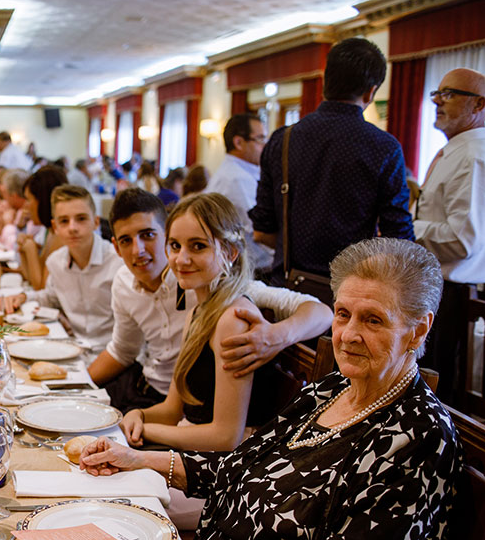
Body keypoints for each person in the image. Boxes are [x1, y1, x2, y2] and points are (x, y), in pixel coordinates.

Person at [80, 237, 457, 540]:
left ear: (417, 328)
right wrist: (138, 459)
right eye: (342, 314)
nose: (348, 334)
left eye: (374, 319)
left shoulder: (421, 434)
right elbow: (243, 467)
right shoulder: (329, 390)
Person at [88, 189, 331, 415]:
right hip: (150, 392)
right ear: (116, 248)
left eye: (148, 235)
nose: (138, 250)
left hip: (193, 408)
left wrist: (276, 336)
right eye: (125, 240)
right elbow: (122, 350)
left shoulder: (208, 279)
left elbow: (321, 311)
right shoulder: (124, 281)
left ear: (164, 236)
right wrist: (76, 385)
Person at [119, 192, 279, 452]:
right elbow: (172, 409)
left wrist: (147, 430)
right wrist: (138, 415)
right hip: (194, 443)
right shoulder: (199, 311)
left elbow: (226, 436)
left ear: (230, 252)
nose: (181, 259)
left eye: (198, 246)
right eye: (174, 246)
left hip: (230, 463)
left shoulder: (233, 319)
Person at [250, 37, 413, 288]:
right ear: (370, 92)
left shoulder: (283, 140)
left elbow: (262, 229)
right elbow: (398, 239)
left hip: (287, 290)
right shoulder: (384, 147)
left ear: (325, 80)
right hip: (351, 293)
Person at [414, 67, 485, 402]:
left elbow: (462, 240)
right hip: (438, 289)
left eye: (450, 94)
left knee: (439, 396)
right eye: (437, 93)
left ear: (479, 105)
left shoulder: (473, 155)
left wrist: (406, 227)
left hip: (453, 295)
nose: (438, 101)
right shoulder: (455, 151)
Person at [8, 185, 119, 355]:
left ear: (96, 222)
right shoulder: (56, 262)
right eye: (64, 221)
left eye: (81, 219)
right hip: (73, 350)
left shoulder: (117, 263)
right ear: (55, 226)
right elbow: (51, 296)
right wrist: (24, 296)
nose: (72, 228)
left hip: (111, 356)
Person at [205, 113, 273, 273]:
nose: (265, 146)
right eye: (260, 139)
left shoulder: (241, 173)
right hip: (249, 269)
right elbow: (259, 230)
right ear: (238, 142)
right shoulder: (236, 178)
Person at [17, 165, 69, 290]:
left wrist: (30, 249)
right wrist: (23, 250)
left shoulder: (60, 236)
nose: (25, 206)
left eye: (29, 200)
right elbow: (30, 277)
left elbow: (41, 288)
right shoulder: (49, 231)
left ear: (43, 201)